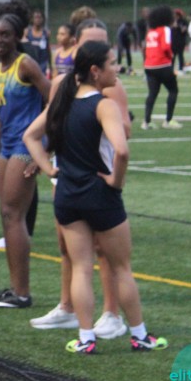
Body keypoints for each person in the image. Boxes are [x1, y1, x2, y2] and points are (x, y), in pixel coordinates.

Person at [23, 41, 168, 354]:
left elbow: (30, 136)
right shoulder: (104, 105)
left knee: (81, 268)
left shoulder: (62, 102)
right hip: (100, 194)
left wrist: (49, 170)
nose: (116, 69)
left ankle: (86, 338)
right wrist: (116, 182)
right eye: (112, 63)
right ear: (95, 70)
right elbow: (122, 150)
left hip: (67, 194)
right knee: (121, 268)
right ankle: (140, 336)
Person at [28, 18, 132, 340]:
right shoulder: (62, 84)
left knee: (104, 251)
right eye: (90, 42)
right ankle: (68, 308)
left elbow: (124, 133)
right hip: (67, 174)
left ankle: (111, 313)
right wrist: (45, 161)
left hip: (94, 173)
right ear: (77, 46)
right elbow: (51, 127)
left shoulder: (111, 89)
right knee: (68, 248)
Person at [0, 7, 50, 309]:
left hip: (25, 146)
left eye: (4, 35)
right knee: (6, 215)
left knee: (14, 215)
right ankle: (14, 288)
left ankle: (22, 293)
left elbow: (54, 101)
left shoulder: (26, 65)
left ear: (16, 38)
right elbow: (0, 112)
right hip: (7, 147)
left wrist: (45, 149)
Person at [142, 5, 180, 130]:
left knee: (152, 93)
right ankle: (168, 120)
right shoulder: (165, 29)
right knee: (173, 90)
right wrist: (171, 56)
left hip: (149, 66)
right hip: (162, 64)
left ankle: (146, 122)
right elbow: (165, 47)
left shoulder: (151, 31)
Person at [24, 9, 51, 76]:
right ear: (32, 19)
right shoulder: (27, 32)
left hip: (42, 64)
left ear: (43, 19)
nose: (38, 19)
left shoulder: (46, 33)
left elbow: (48, 49)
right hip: (30, 62)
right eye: (36, 17)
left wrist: (50, 67)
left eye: (39, 17)